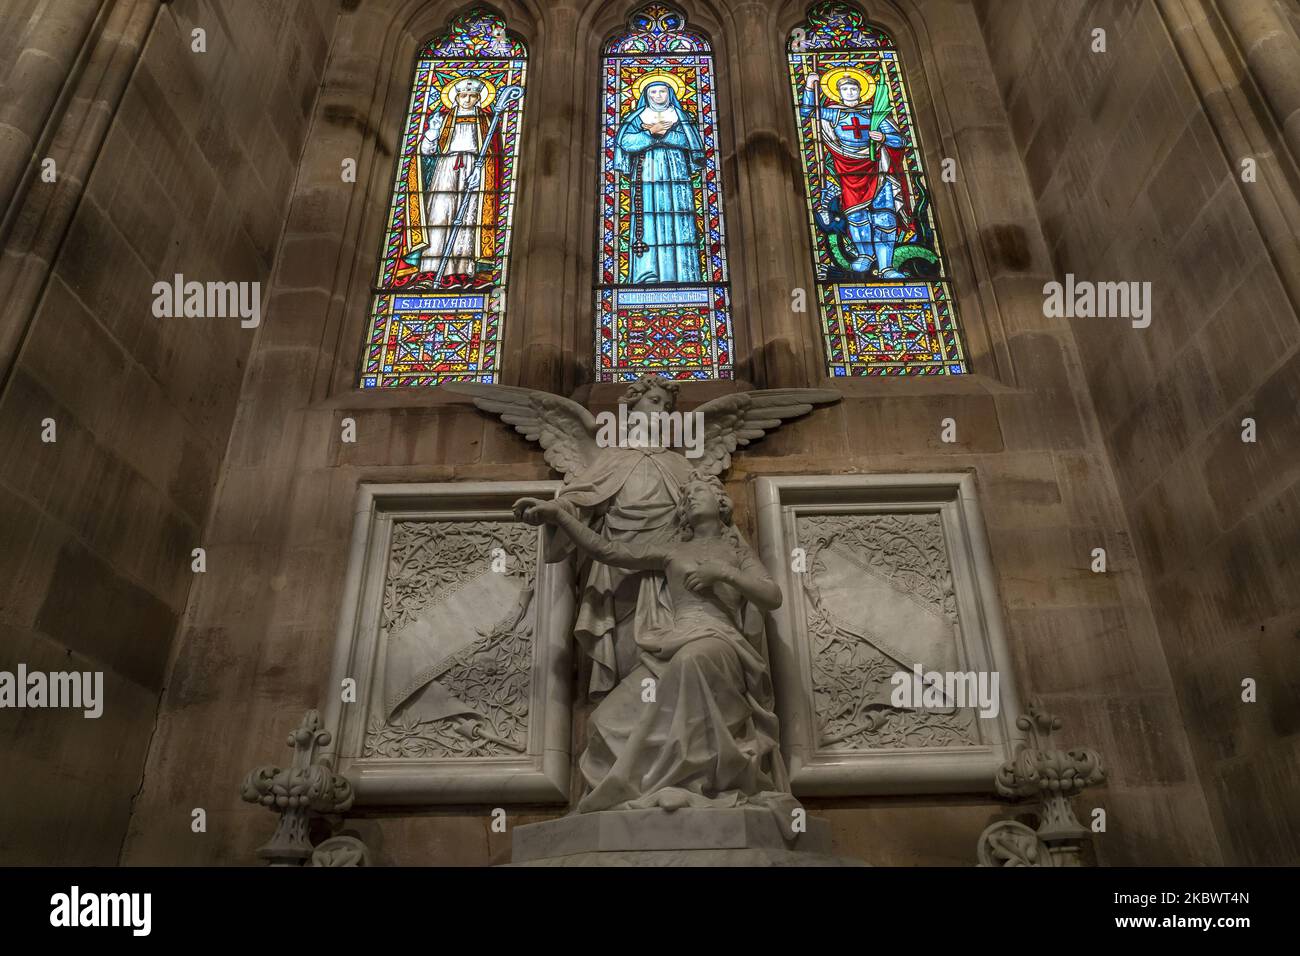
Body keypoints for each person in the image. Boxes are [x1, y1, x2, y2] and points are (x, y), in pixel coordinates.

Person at [522, 470, 796, 815]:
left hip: (718, 640)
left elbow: (772, 596)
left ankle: (693, 781)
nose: (691, 497)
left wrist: (724, 573)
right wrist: (560, 515)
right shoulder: (672, 549)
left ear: (721, 502)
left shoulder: (736, 552)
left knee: (691, 662)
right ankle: (661, 785)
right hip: (674, 641)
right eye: (688, 495)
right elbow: (608, 550)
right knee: (604, 720)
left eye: (700, 491)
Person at [802, 69, 912, 277]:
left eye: (854, 88)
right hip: (848, 169)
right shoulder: (833, 112)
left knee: (885, 218)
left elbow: (901, 140)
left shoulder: (874, 113)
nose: (850, 92)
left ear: (861, 90)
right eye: (845, 89)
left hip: (877, 168)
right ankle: (865, 255)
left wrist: (883, 138)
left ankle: (886, 267)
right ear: (838, 92)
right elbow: (807, 112)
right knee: (856, 215)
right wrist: (809, 86)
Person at [399, 77, 503, 287]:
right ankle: (430, 272)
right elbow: (426, 153)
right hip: (445, 171)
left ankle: (463, 273)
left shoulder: (486, 121)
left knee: (468, 222)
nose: (467, 99)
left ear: (478, 98)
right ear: (456, 97)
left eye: (473, 96)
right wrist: (433, 132)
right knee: (439, 216)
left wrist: (482, 172)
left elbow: (494, 154)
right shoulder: (445, 119)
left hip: (476, 172)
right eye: (463, 95)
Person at [613, 79, 705, 283]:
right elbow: (626, 142)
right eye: (653, 92)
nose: (657, 96)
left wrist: (664, 135)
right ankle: (647, 274)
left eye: (662, 91)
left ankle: (684, 275)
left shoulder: (681, 117)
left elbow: (691, 142)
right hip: (648, 172)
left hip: (676, 173)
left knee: (679, 217)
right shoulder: (637, 117)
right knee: (649, 218)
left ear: (669, 93)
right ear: (646, 95)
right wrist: (649, 133)